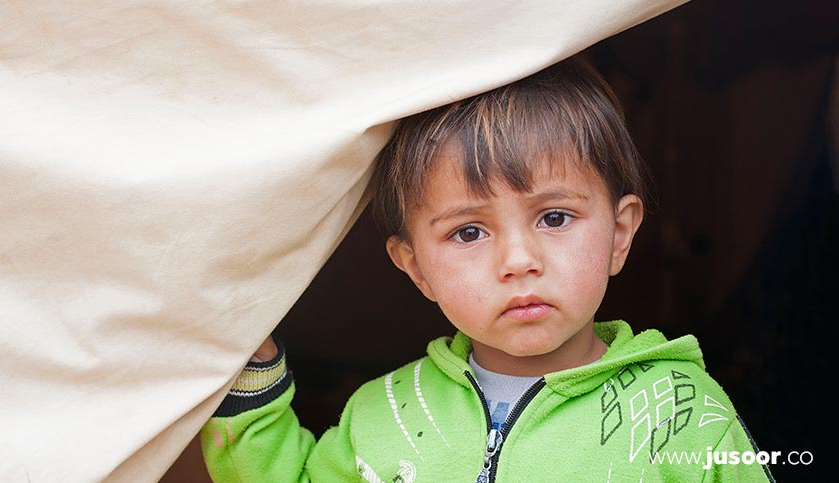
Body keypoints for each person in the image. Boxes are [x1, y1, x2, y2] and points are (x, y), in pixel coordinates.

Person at [201, 55, 774, 482]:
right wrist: (250, 375)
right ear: (416, 268)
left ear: (620, 235)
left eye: (554, 217)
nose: (519, 261)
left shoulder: (680, 413)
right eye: (469, 232)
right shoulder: (386, 412)